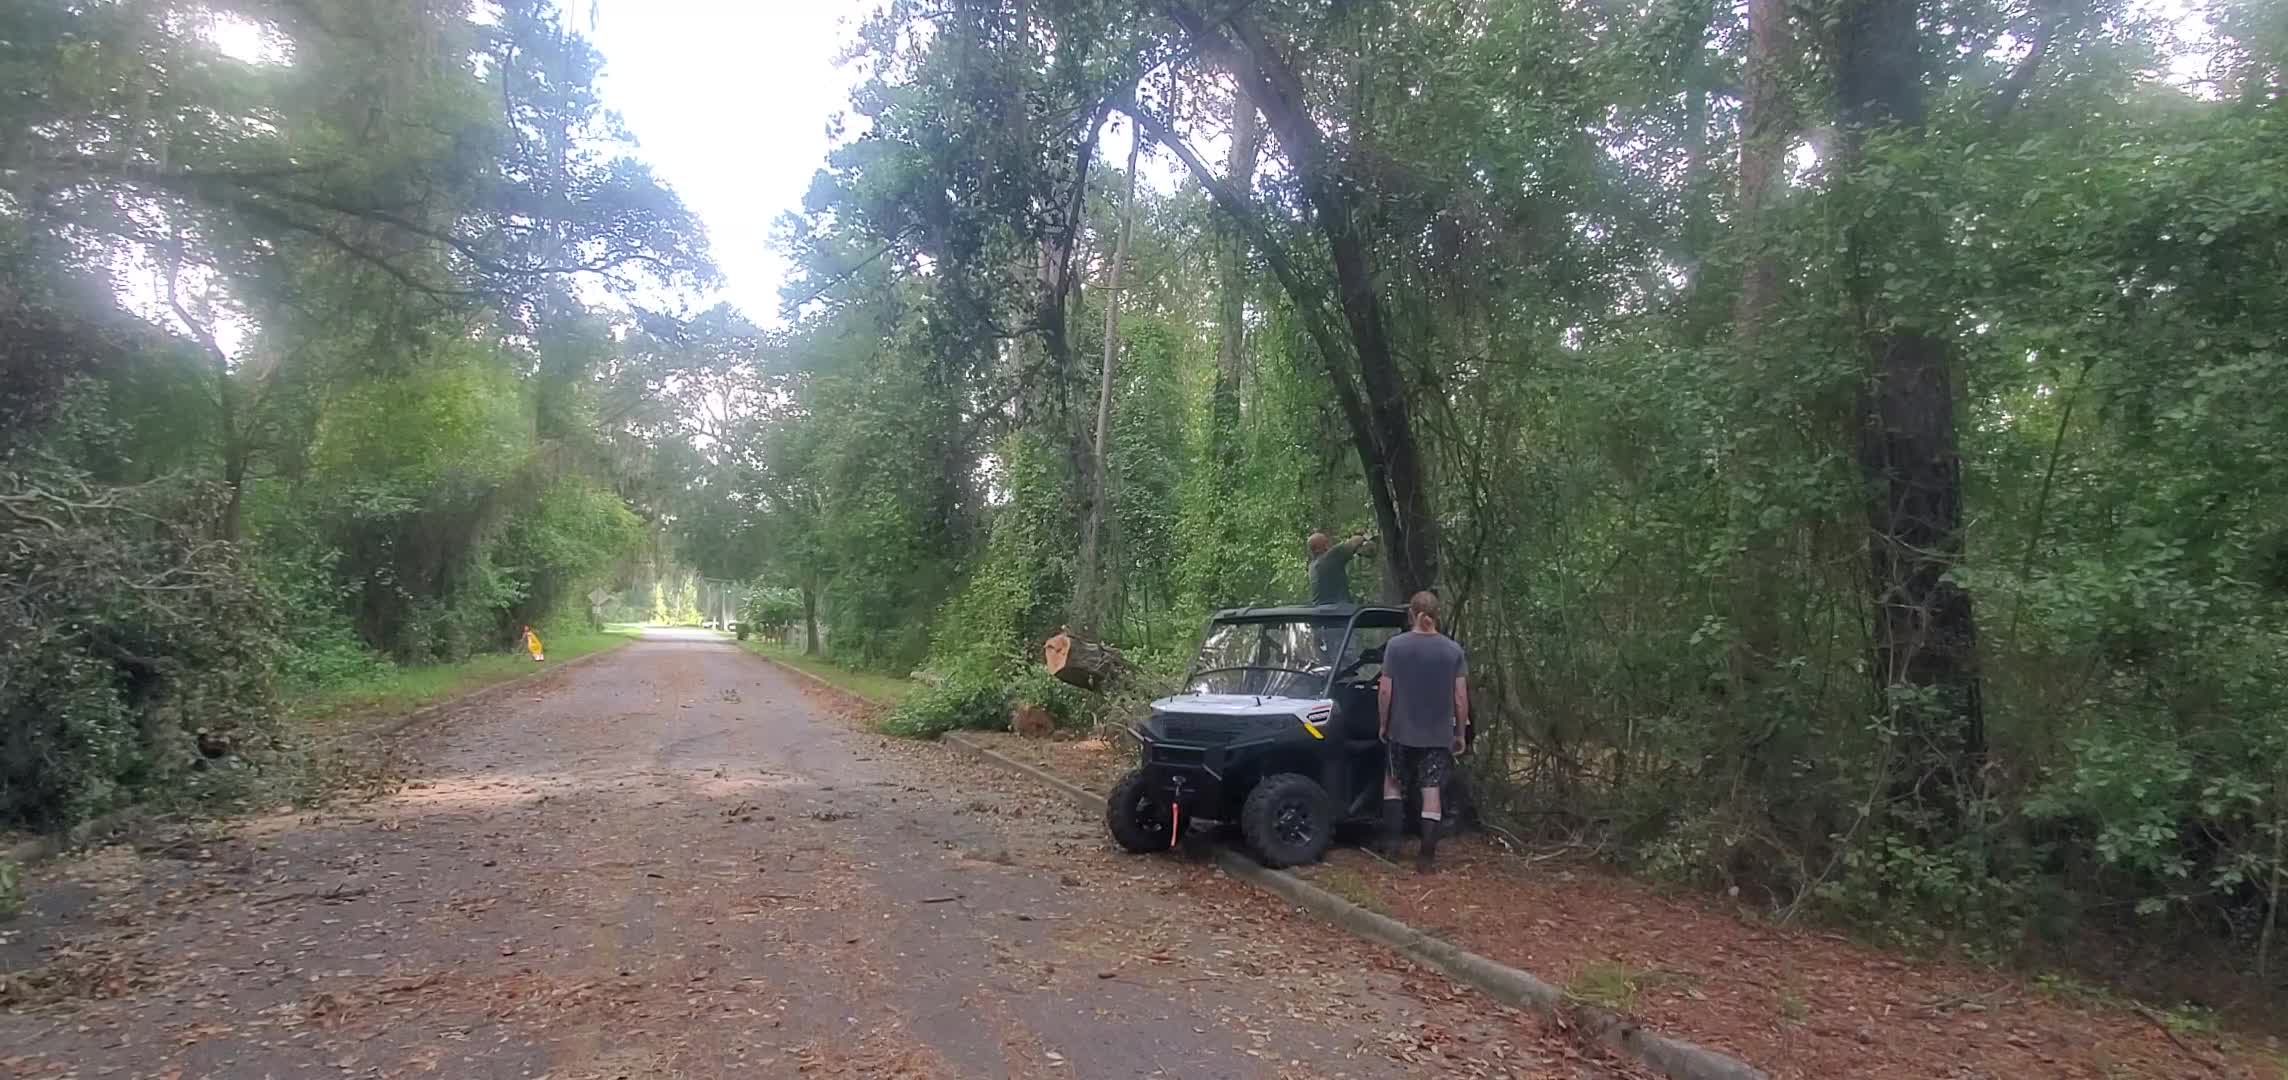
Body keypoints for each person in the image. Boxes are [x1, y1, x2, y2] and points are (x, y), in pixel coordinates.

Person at [1377, 590, 1467, 873]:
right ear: (1435, 615)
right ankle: (1426, 857)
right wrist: (1460, 733)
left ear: (1412, 614)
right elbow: (1461, 697)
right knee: (1432, 792)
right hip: (1438, 734)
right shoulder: (1453, 651)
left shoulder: (1395, 646)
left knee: (1393, 783)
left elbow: (1385, 690)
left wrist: (1383, 723)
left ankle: (1392, 846)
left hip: (1400, 730)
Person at [1306, 529, 1375, 607]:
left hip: (1322, 612)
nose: (1329, 544)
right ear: (1318, 549)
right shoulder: (1328, 558)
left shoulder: (1312, 566)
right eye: (1326, 542)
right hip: (1338, 611)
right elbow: (1355, 541)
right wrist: (1364, 535)